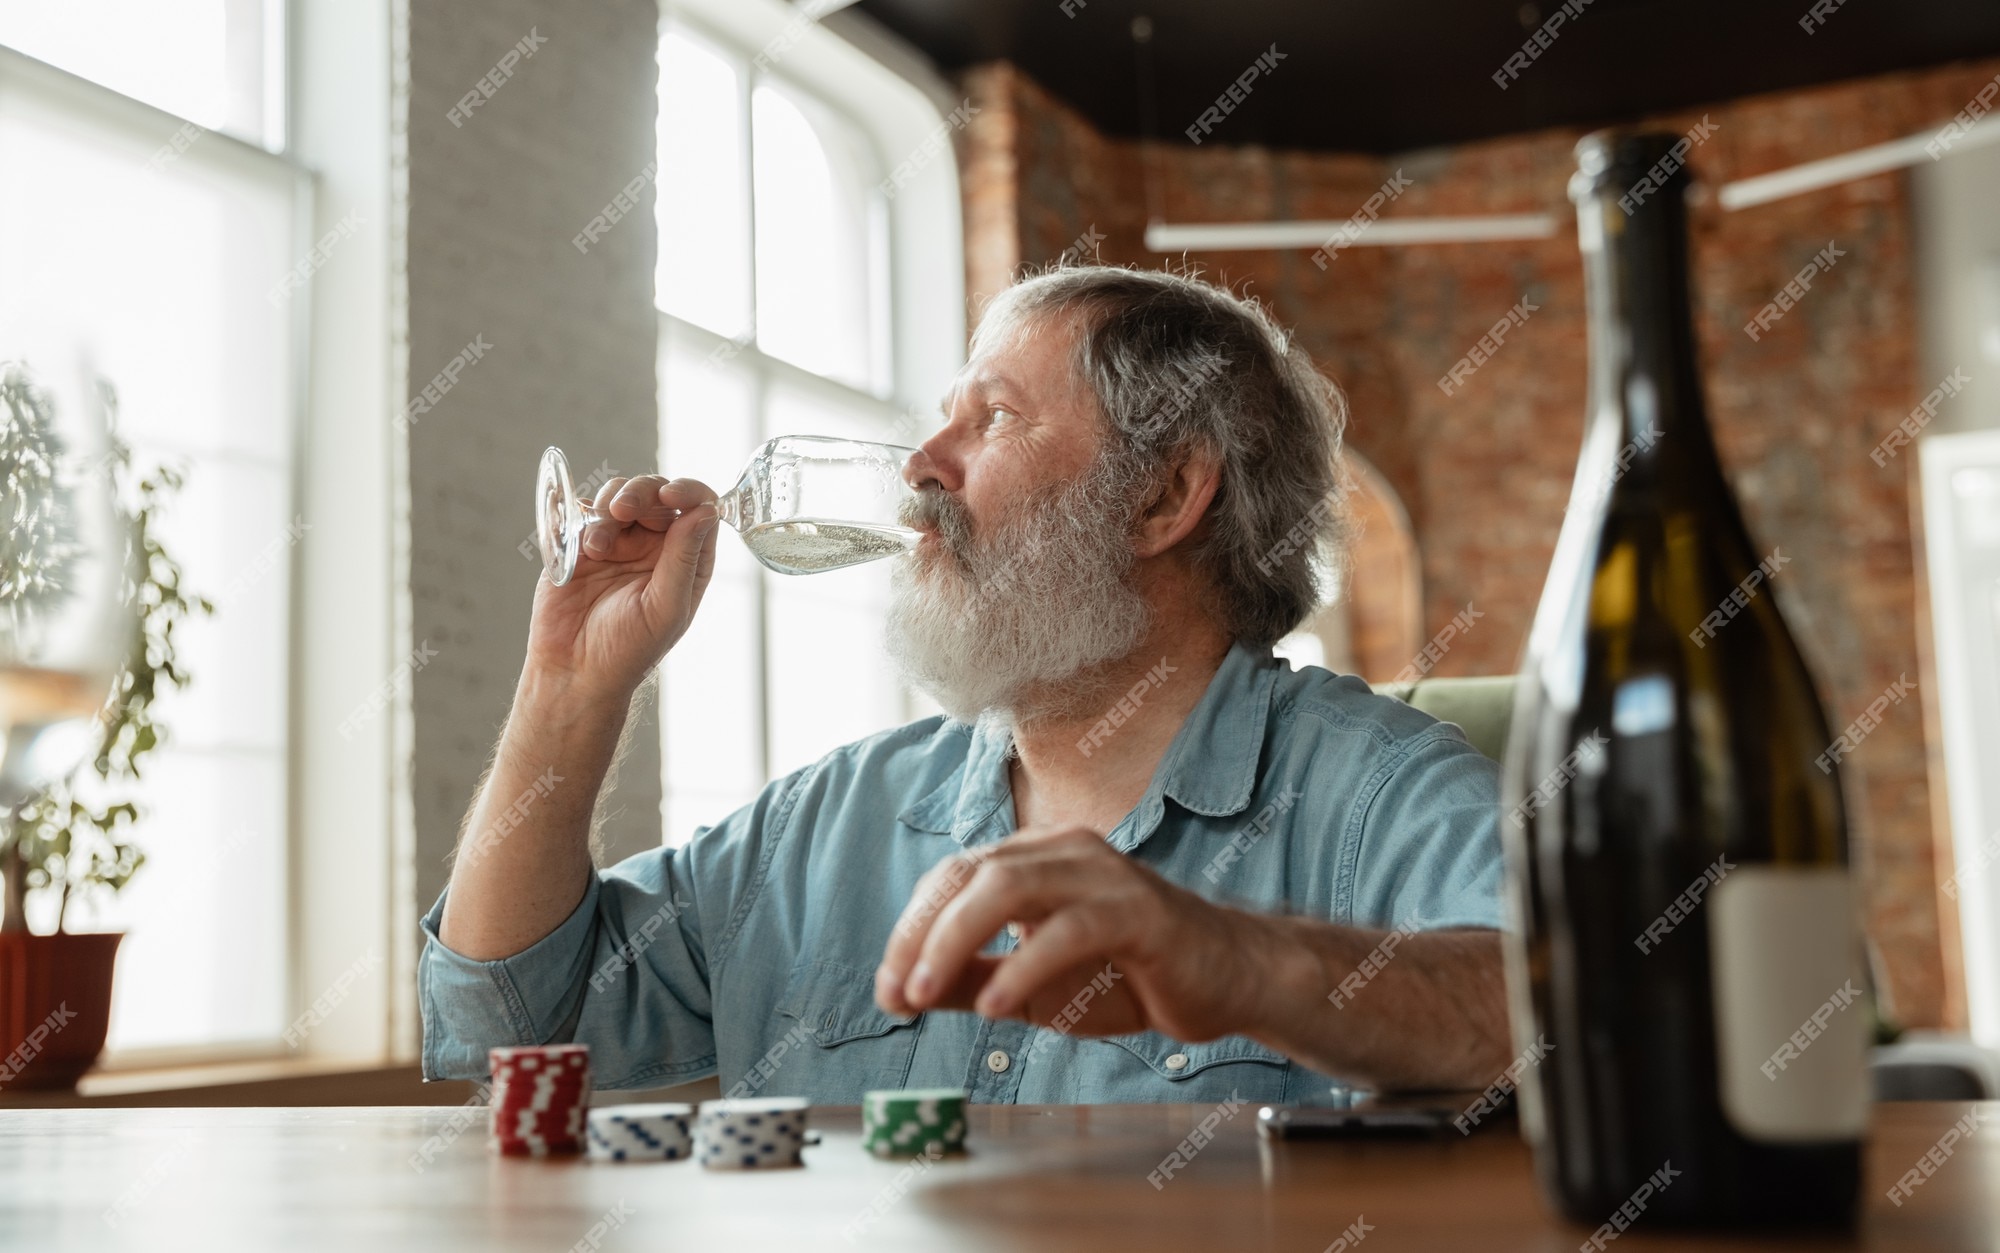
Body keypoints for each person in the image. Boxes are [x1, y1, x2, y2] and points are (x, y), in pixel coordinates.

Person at [420, 264, 1510, 1103]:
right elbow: (509, 1029)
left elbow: (1557, 1017)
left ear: (1162, 497)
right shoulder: (826, 820)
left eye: (989, 417)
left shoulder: (1380, 790)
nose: (917, 465)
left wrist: (1224, 955)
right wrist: (569, 685)